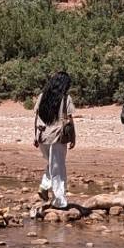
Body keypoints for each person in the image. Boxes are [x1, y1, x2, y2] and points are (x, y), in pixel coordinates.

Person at [33, 71, 76, 209]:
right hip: (57, 136)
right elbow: (69, 119)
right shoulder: (66, 98)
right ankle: (59, 200)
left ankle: (44, 186)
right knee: (58, 168)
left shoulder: (42, 96)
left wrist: (35, 136)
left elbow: (37, 117)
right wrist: (73, 137)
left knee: (52, 164)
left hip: (42, 136)